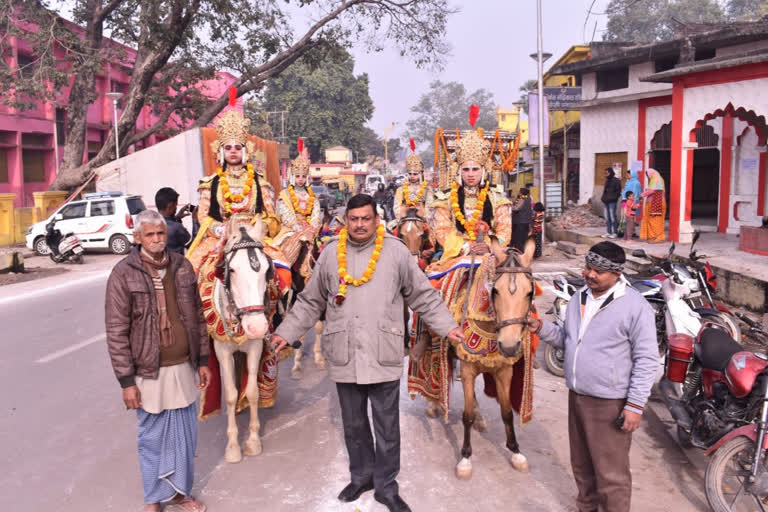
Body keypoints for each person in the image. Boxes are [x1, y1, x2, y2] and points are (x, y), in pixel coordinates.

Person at [270, 194, 463, 512]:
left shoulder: (396, 252)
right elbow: (310, 301)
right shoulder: (332, 254)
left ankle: (386, 486)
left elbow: (423, 296)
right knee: (354, 424)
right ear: (347, 220)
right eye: (354, 218)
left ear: (376, 220)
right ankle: (361, 477)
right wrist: (285, 332)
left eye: (366, 218)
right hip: (344, 352)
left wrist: (448, 326)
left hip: (382, 350)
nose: (360, 224)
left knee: (387, 427)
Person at [526, 241, 658, 512]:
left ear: (616, 274)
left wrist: (634, 406)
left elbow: (647, 360)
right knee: (582, 465)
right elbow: (567, 339)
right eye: (588, 267)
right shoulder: (579, 298)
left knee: (611, 474)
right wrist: (539, 327)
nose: (590, 274)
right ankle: (586, 508)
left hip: (610, 402)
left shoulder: (635, 307)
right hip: (578, 396)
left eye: (598, 271)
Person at [105, 209, 211, 512]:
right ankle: (153, 499)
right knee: (152, 438)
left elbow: (198, 319)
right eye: (149, 234)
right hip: (147, 371)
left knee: (185, 438)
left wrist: (203, 360)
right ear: (137, 238)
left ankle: (181, 494)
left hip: (182, 366)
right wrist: (127, 382)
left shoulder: (182, 266)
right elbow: (116, 330)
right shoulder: (123, 273)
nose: (155, 239)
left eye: (160, 234)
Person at [274, 139, 322, 266]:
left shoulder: (311, 195)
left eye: (303, 176)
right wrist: (295, 226)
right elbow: (284, 213)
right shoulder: (285, 195)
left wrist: (312, 225)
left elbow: (316, 212)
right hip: (291, 228)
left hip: (310, 228)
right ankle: (285, 270)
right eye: (297, 176)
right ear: (292, 176)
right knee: (289, 246)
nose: (300, 179)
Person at [155, 187, 191, 254]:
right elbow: (193, 245)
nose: (176, 208)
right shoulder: (177, 227)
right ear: (170, 206)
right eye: (175, 205)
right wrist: (195, 221)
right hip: (177, 263)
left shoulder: (151, 223)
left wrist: (176, 218)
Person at [640, 168, 666, 243]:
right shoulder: (660, 179)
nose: (648, 177)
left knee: (653, 220)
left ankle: (655, 238)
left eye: (647, 175)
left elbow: (652, 190)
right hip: (660, 203)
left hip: (655, 203)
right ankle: (658, 237)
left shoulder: (655, 179)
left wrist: (642, 195)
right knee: (657, 220)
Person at [601, 167, 622, 239]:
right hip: (606, 201)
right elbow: (605, 191)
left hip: (612, 202)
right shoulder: (607, 181)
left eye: (607, 173)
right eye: (605, 173)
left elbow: (618, 191)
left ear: (611, 173)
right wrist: (603, 198)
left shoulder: (616, 181)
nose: (606, 174)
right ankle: (608, 232)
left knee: (613, 217)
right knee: (607, 217)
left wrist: (614, 198)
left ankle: (615, 232)